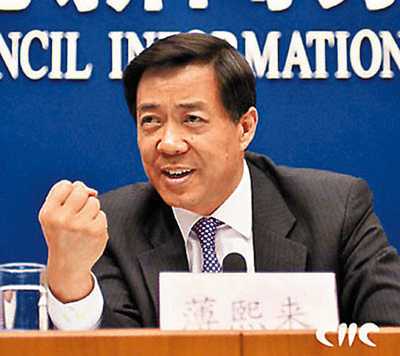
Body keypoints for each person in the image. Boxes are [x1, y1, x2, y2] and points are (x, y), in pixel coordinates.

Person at [39, 33, 400, 329]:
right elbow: (111, 348)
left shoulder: (335, 211)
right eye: (150, 121)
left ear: (244, 128)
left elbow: (389, 333)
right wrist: (71, 281)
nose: (168, 143)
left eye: (192, 119)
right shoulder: (113, 226)